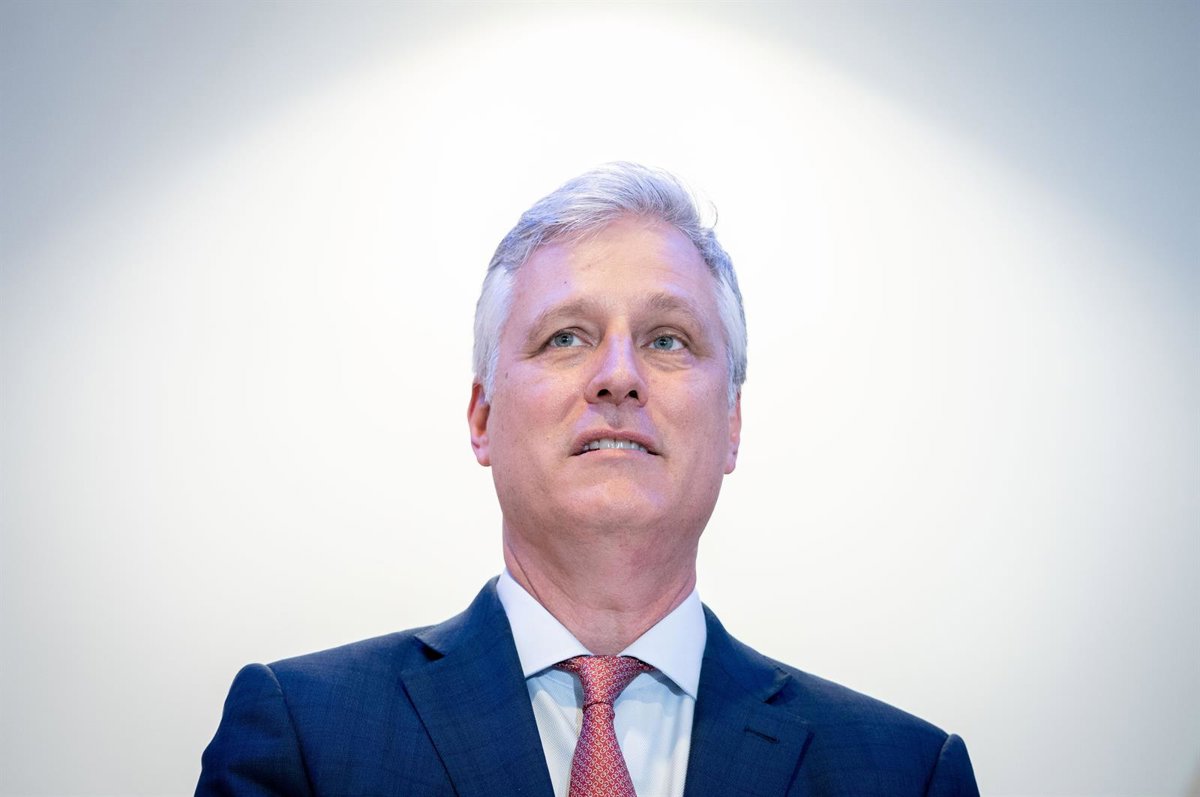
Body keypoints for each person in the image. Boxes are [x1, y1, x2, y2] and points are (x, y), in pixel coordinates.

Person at [197, 162, 980, 796]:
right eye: (566, 337)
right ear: (482, 415)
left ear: (732, 422)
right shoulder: (304, 736)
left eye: (667, 339)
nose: (618, 375)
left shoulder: (906, 774)